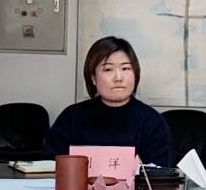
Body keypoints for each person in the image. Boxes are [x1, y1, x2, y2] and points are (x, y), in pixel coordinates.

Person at [43, 36, 174, 166]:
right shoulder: (71, 117)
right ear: (93, 78)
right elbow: (49, 166)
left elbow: (163, 173)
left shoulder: (152, 121)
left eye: (125, 68)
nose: (118, 78)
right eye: (108, 69)